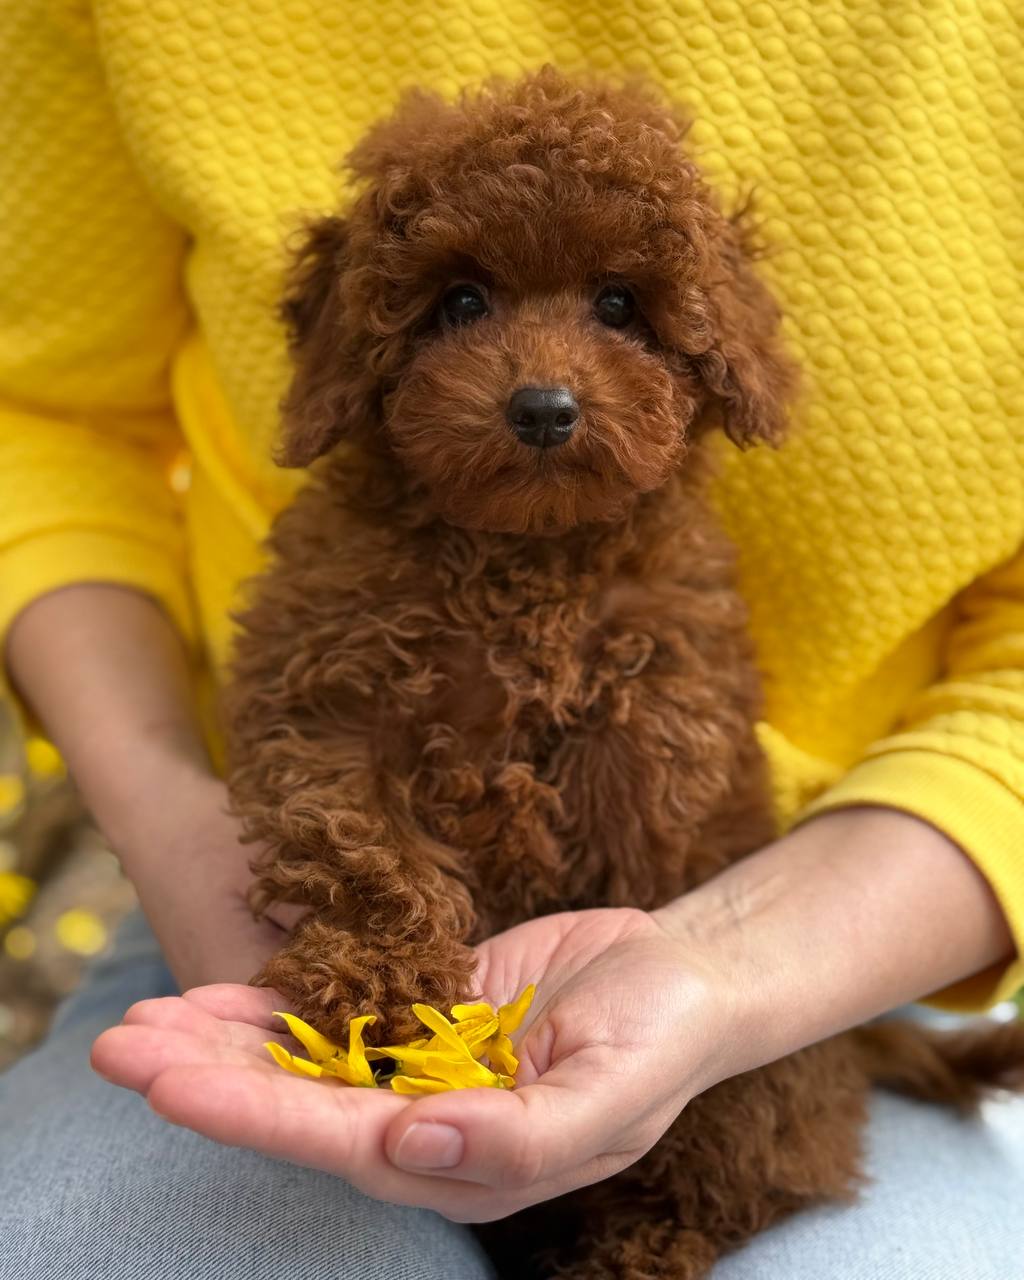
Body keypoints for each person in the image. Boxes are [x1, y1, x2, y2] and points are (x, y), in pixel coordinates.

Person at [1, 2, 1022, 1277]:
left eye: (616, 305)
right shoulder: (339, 568)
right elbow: (49, 420)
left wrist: (739, 974)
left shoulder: (672, 588)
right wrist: (171, 813)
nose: (544, 380)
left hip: (814, 940)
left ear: (717, 355)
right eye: (464, 301)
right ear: (355, 342)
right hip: (245, 921)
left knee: (742, 1190)